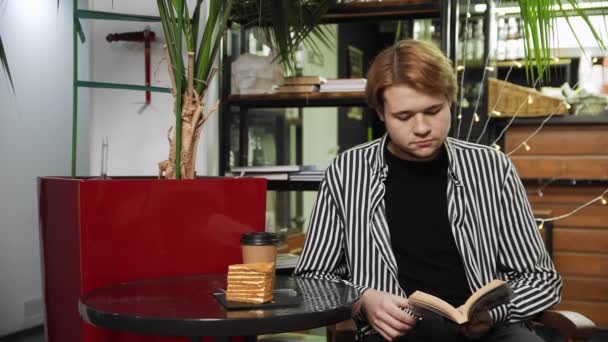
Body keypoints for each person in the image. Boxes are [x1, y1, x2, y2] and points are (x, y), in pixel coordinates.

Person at [293, 40, 562, 341]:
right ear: (381, 113)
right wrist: (362, 300)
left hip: (491, 331)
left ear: (449, 99)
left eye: (433, 110)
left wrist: (491, 314)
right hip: (395, 335)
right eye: (404, 117)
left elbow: (542, 280)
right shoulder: (347, 173)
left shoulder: (493, 168)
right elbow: (311, 279)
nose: (421, 128)